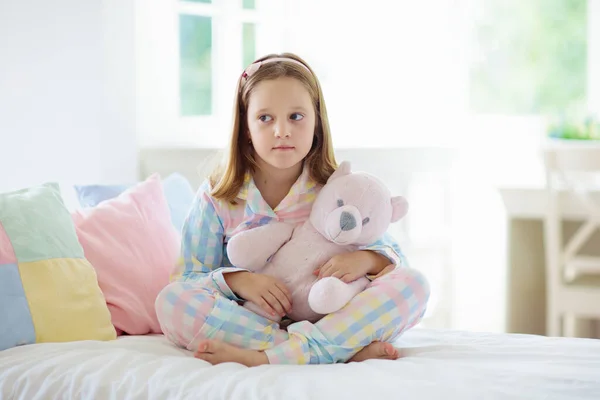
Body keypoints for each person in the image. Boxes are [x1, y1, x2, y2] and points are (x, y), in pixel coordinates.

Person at [155, 52, 430, 366]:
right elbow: (188, 278)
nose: (281, 131)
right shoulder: (218, 196)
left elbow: (397, 260)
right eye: (265, 118)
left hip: (327, 314)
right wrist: (238, 280)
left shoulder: (337, 188)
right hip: (252, 322)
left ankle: (271, 357)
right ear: (246, 127)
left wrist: (364, 259)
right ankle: (323, 351)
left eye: (296, 117)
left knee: (414, 285)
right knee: (170, 302)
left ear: (316, 123)